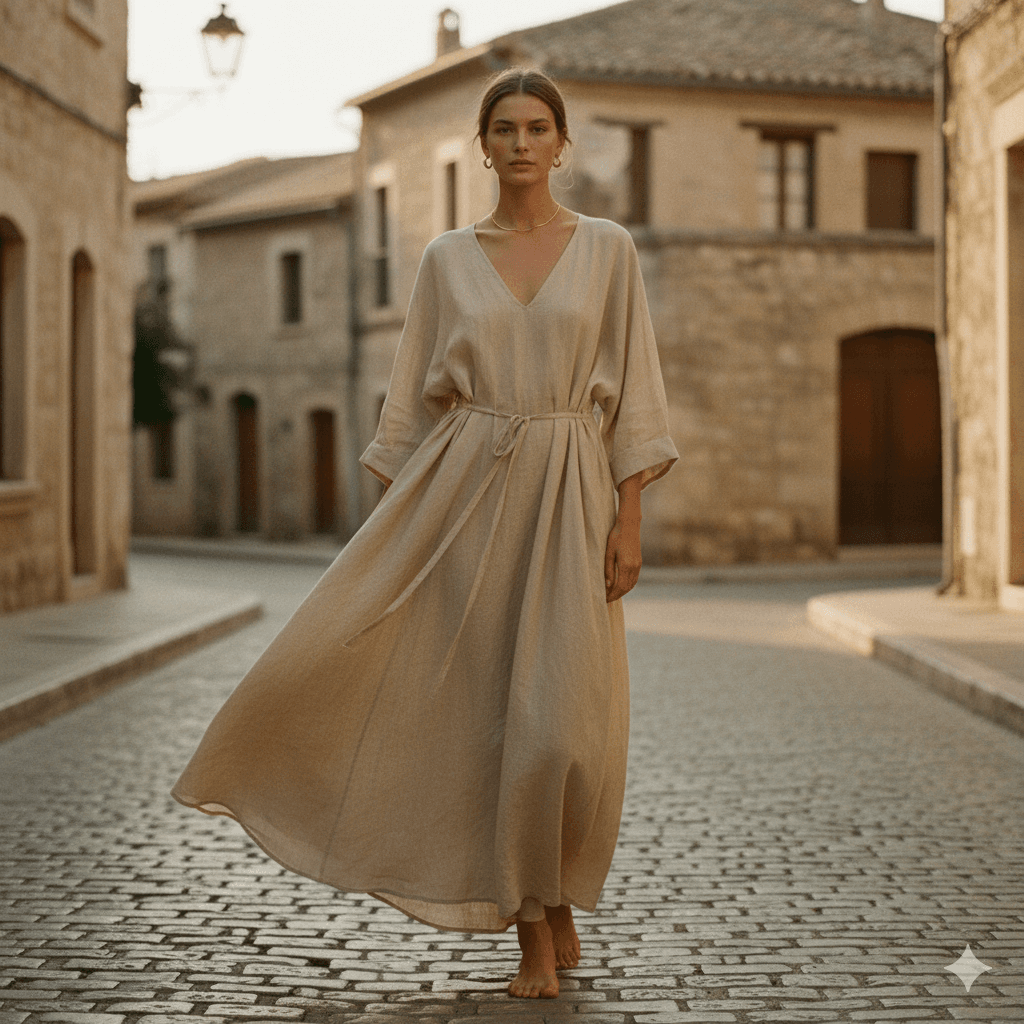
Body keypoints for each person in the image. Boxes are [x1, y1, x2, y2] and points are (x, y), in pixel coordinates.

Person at [171, 66, 678, 1001]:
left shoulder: (609, 250)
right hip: (463, 500)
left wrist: (629, 513)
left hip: (570, 497)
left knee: (562, 726)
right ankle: (532, 925)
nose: (521, 143)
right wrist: (395, 545)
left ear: (561, 144)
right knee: (500, 725)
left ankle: (557, 889)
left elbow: (635, 391)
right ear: (481, 145)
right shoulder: (445, 257)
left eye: (537, 127)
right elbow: (409, 402)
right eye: (504, 128)